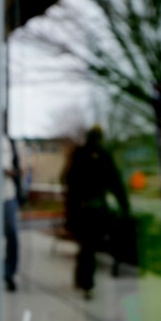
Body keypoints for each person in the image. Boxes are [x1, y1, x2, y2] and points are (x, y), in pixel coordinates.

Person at [63, 126, 130, 298]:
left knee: (87, 247)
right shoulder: (89, 155)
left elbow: (115, 182)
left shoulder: (92, 155)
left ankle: (83, 280)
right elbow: (115, 182)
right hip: (87, 209)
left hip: (90, 209)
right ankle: (86, 282)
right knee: (88, 247)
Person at [2, 133, 23, 292]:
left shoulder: (9, 141)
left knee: (12, 234)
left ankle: (10, 273)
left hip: (8, 195)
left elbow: (15, 166)